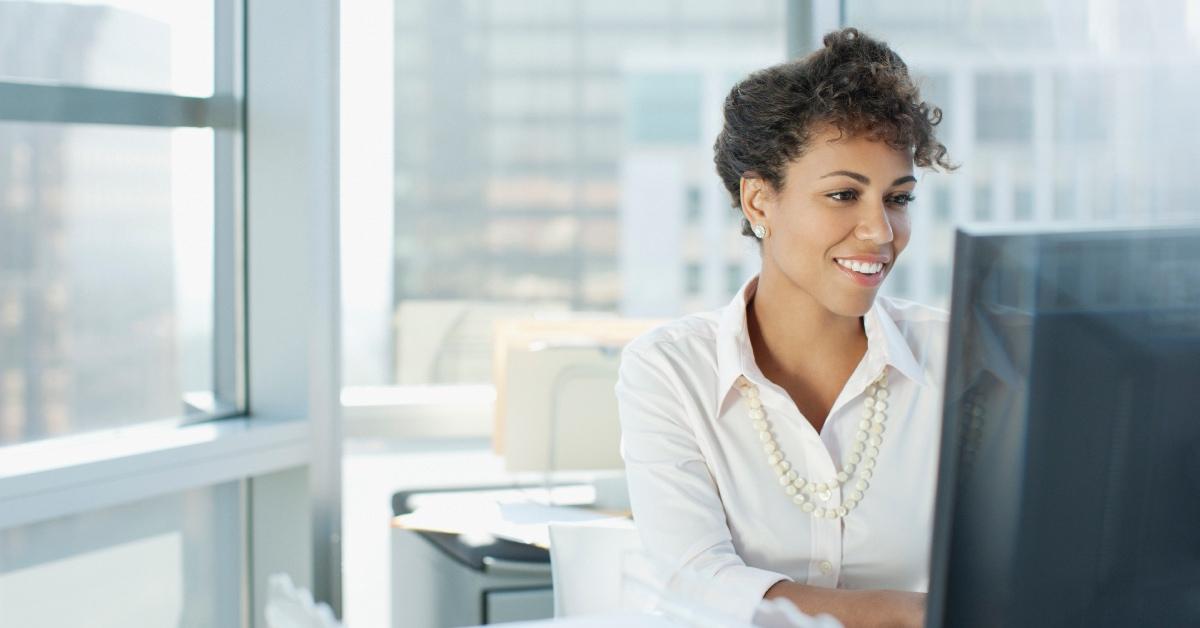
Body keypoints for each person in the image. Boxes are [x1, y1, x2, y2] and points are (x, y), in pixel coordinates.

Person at [615, 27, 956, 628]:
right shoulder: (670, 371)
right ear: (758, 202)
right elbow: (697, 582)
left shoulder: (958, 356)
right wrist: (916, 613)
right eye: (844, 194)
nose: (880, 231)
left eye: (897, 198)